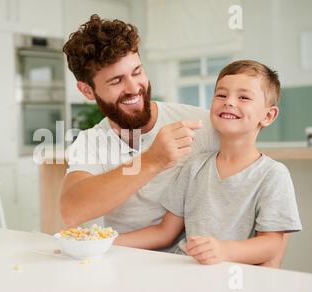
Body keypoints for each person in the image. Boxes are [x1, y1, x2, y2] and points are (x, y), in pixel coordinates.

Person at [114, 60, 302, 266]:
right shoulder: (194, 166)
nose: (229, 101)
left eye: (244, 97)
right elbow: (164, 232)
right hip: (186, 273)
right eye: (221, 95)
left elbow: (271, 244)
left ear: (268, 115)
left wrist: (223, 250)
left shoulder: (273, 174)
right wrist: (107, 241)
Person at [60, 14, 219, 252]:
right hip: (127, 267)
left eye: (137, 72)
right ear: (87, 91)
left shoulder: (201, 124)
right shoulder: (91, 142)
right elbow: (71, 210)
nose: (134, 88)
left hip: (192, 268)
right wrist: (154, 159)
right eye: (116, 81)